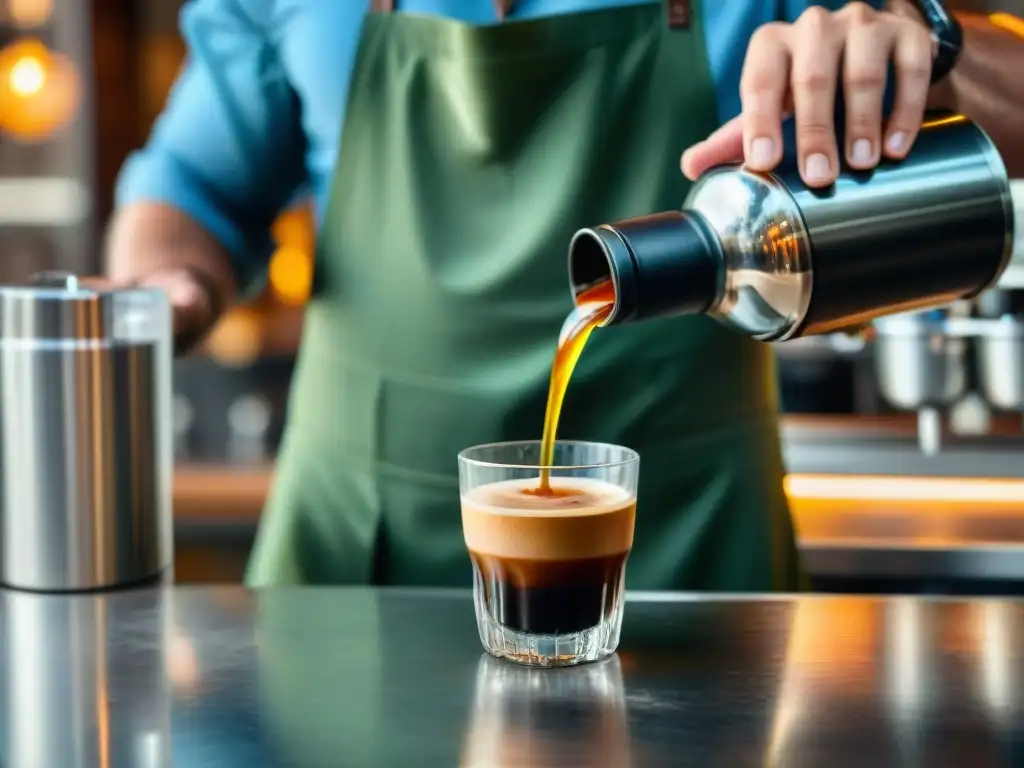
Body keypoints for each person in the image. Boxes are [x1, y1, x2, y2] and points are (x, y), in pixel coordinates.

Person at [107, 0, 1024, 589]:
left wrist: (928, 43)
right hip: (359, 556)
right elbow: (190, 188)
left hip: (686, 547)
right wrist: (168, 287)